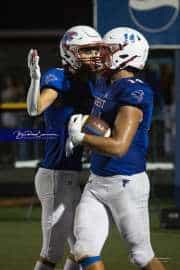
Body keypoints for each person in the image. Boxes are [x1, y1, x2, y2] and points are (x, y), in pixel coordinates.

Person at [67, 27, 166, 270]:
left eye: (107, 50)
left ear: (126, 54)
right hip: (97, 181)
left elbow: (119, 146)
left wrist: (82, 138)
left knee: (141, 256)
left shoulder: (134, 91)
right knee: (83, 248)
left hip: (126, 183)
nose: (101, 55)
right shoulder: (104, 82)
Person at [26, 25, 109, 270]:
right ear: (70, 52)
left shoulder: (93, 83)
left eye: (96, 48)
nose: (94, 54)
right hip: (55, 174)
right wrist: (35, 79)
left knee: (81, 247)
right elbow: (34, 110)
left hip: (73, 172)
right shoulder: (57, 77)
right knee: (52, 251)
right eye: (87, 50)